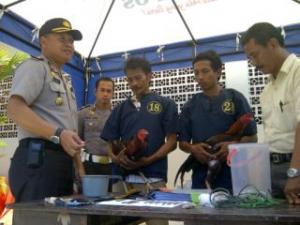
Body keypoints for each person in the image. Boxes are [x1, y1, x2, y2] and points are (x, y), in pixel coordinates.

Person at [7, 18, 85, 202]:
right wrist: (57, 134)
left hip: (62, 163)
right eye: (62, 38)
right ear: (43, 41)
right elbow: (15, 108)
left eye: (71, 41)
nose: (68, 44)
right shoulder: (34, 67)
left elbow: (69, 130)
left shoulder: (65, 79)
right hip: (38, 161)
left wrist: (79, 167)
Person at [101, 57, 177, 225]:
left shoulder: (166, 104)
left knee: (157, 222)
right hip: (123, 181)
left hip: (154, 179)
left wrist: (149, 160)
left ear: (149, 76)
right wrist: (115, 157)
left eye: (138, 78)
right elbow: (109, 141)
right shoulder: (121, 108)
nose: (134, 83)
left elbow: (172, 141)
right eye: (130, 79)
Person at [178, 50, 257, 190]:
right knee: (201, 209)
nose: (200, 77)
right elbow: (183, 143)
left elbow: (252, 137)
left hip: (233, 172)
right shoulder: (190, 106)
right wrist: (193, 149)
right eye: (196, 73)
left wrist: (233, 146)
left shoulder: (235, 98)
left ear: (218, 71)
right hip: (201, 172)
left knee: (234, 208)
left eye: (205, 71)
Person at [241, 22, 300, 204]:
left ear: (273, 44)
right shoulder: (267, 89)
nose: (254, 63)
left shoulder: (297, 72)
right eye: (249, 58)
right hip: (272, 169)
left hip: (295, 168)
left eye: (255, 55)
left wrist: (295, 172)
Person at [78, 77, 114, 178]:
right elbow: (76, 142)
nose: (105, 94)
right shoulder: (83, 114)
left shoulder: (116, 116)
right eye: (102, 90)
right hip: (89, 166)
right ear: (95, 92)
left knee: (111, 194)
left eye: (108, 91)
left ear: (113, 94)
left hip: (110, 167)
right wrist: (78, 168)